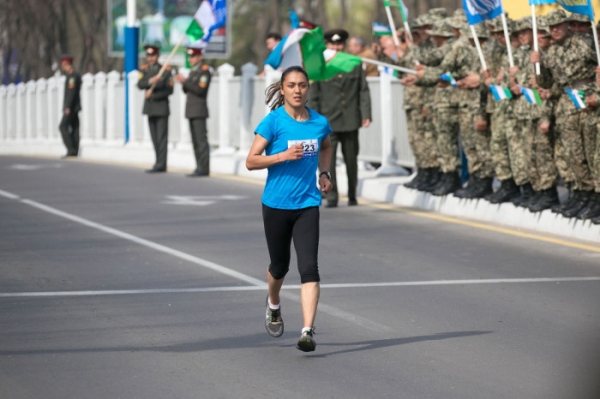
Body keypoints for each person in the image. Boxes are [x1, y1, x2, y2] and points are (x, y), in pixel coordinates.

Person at [245, 66, 333, 352]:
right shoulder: (273, 122)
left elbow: (327, 146)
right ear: (282, 89)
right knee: (280, 266)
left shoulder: (319, 122)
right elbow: (251, 160)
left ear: (309, 89)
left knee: (309, 268)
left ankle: (307, 330)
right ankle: (273, 302)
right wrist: (282, 155)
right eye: (292, 85)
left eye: (303, 85)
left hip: (308, 204)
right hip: (276, 204)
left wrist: (325, 173)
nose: (297, 90)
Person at [532, 9, 596, 218]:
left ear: (568, 24)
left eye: (558, 25)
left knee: (591, 154)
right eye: (551, 28)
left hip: (588, 104)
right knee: (573, 155)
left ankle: (595, 197)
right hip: (566, 106)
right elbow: (546, 83)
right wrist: (537, 65)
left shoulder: (585, 43)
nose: (555, 30)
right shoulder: (552, 51)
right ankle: (582, 195)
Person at [308, 29, 371, 208]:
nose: (336, 47)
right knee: (327, 161)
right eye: (332, 44)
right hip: (327, 120)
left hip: (350, 118)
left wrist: (365, 114)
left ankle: (352, 194)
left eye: (339, 44)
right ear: (327, 45)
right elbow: (314, 95)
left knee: (351, 159)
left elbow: (363, 90)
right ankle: (331, 194)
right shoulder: (320, 65)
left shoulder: (354, 63)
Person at [174, 42, 212, 177]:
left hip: (199, 110)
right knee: (195, 141)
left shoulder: (204, 71)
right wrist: (184, 82)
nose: (191, 59)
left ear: (200, 56)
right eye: (190, 57)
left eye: (193, 56)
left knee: (201, 140)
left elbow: (200, 90)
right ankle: (199, 166)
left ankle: (204, 167)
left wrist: (186, 82)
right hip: (191, 110)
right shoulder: (193, 71)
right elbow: (187, 90)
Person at [137, 43, 174, 173]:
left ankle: (161, 163)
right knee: (154, 137)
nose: (150, 58)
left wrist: (155, 93)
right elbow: (140, 84)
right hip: (150, 108)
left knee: (161, 138)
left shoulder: (165, 70)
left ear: (157, 56)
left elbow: (170, 90)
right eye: (148, 55)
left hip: (161, 107)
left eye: (153, 55)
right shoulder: (144, 70)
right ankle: (157, 160)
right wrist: (150, 82)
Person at [59, 55, 81, 158]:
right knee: (75, 127)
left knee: (63, 126)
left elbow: (71, 92)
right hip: (74, 107)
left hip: (71, 107)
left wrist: (67, 107)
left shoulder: (72, 76)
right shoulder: (72, 75)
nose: (62, 67)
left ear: (66, 64)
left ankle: (71, 149)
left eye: (63, 65)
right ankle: (74, 150)